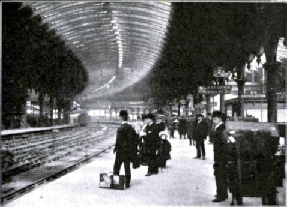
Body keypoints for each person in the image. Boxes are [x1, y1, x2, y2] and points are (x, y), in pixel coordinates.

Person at [113, 110, 138, 188]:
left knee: (117, 167)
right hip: (128, 151)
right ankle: (127, 183)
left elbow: (118, 140)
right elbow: (136, 139)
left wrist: (116, 148)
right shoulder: (131, 128)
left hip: (120, 151)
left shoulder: (120, 128)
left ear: (121, 117)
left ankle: (116, 182)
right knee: (127, 167)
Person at [212, 111, 228, 202]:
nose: (214, 120)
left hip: (221, 156)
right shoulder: (218, 127)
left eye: (216, 119)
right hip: (219, 155)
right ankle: (223, 193)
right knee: (220, 174)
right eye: (213, 119)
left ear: (220, 119)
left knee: (220, 175)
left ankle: (220, 195)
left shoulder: (222, 128)